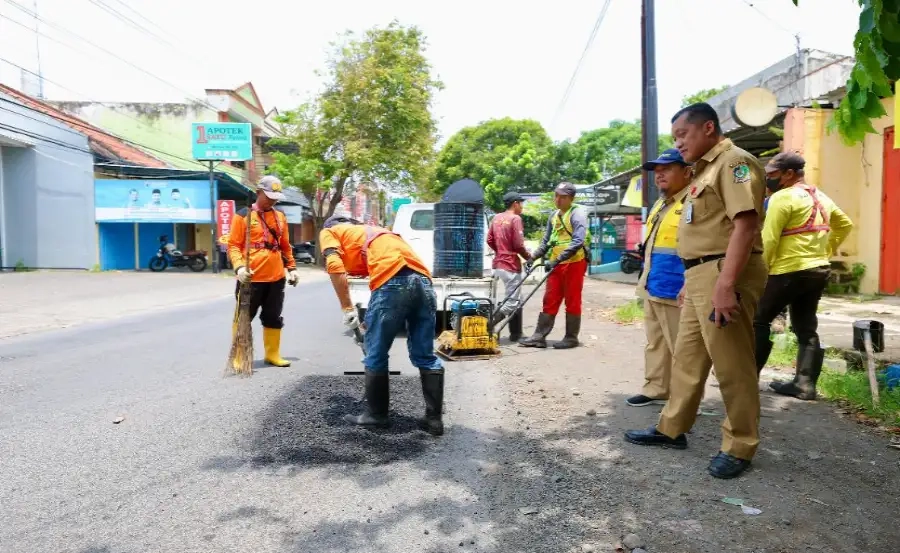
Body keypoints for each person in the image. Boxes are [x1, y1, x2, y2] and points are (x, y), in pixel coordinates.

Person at [624, 103, 768, 479]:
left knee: (732, 363)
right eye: (675, 137)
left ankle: (740, 444)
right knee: (687, 359)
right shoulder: (703, 171)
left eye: (682, 135)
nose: (678, 144)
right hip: (701, 275)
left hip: (725, 273)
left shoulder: (735, 163)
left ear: (707, 128)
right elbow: (706, 231)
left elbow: (745, 225)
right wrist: (692, 281)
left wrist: (725, 285)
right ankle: (671, 428)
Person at [319, 215, 445, 436]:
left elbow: (334, 265)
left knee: (376, 353)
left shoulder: (330, 232)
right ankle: (434, 421)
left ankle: (376, 416)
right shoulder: (376, 233)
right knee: (425, 355)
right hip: (424, 283)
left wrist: (347, 308)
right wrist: (369, 323)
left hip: (393, 282)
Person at [754, 152, 853, 399]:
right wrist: (827, 250)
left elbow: (769, 238)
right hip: (817, 270)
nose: (768, 179)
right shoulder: (820, 196)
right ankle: (805, 384)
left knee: (758, 320)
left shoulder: (782, 197)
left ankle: (745, 378)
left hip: (787, 270)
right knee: (806, 327)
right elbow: (845, 224)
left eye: (772, 174)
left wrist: (760, 272)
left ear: (789, 174)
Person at [626, 149, 693, 407]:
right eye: (657, 170)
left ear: (687, 172)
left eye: (667, 169)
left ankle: (684, 401)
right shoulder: (661, 204)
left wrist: (691, 284)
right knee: (656, 343)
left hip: (678, 287)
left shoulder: (694, 201)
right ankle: (656, 388)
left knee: (682, 348)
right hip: (653, 283)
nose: (659, 174)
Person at [227, 175, 300, 368]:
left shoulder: (280, 217)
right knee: (243, 318)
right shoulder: (243, 215)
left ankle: (272, 354)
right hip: (251, 278)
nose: (272, 201)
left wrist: (292, 268)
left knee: (273, 317)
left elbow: (285, 246)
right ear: (258, 192)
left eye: (275, 198)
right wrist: (239, 267)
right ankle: (239, 356)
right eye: (268, 197)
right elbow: (233, 245)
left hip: (276, 278)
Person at [519, 182, 591, 349]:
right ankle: (539, 336)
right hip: (556, 264)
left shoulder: (577, 214)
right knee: (550, 298)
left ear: (571, 198)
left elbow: (578, 241)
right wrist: (533, 257)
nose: (558, 199)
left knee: (572, 300)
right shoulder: (554, 215)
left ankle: (571, 338)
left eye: (563, 197)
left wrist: (558, 259)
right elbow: (546, 241)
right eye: (556, 195)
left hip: (574, 263)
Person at [487, 191, 532, 341]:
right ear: (515, 203)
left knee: (516, 298)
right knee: (512, 302)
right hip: (510, 264)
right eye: (521, 203)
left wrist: (500, 251)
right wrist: (528, 257)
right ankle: (487, 324)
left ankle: (516, 333)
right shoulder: (515, 218)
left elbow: (489, 240)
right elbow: (518, 244)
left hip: (498, 264)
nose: (522, 207)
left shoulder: (496, 218)